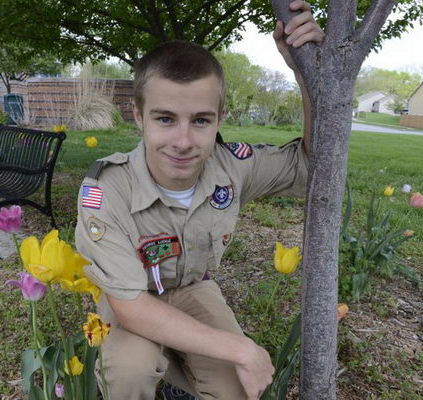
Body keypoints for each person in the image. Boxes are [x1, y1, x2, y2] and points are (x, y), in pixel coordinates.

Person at [75, 1, 324, 399]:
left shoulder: (230, 168)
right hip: (133, 300)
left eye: (201, 120)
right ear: (138, 115)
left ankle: (184, 365)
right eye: (165, 118)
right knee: (129, 370)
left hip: (194, 289)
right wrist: (243, 348)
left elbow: (311, 164)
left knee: (237, 387)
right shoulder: (107, 190)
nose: (184, 142)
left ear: (221, 117)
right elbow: (132, 306)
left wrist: (306, 72)